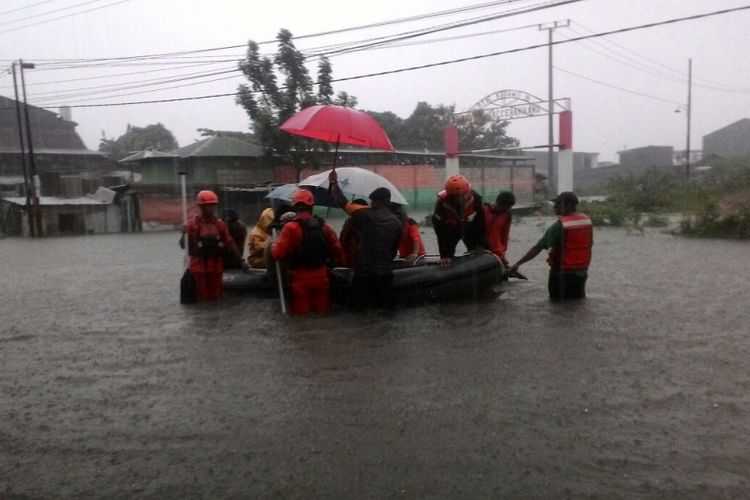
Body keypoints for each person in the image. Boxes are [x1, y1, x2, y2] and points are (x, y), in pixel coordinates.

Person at [330, 176, 402, 310]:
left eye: (372, 201)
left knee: (359, 312)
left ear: (377, 201)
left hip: (365, 274)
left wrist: (334, 183)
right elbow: (393, 250)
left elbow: (342, 202)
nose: (371, 204)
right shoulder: (397, 222)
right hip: (386, 275)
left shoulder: (366, 215)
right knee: (384, 311)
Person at [270, 189, 344, 315]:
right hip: (321, 277)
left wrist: (273, 244)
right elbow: (338, 251)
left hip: (299, 279)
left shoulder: (290, 228)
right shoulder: (324, 227)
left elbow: (278, 254)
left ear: (294, 207)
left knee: (302, 318)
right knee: (321, 313)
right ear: (312, 206)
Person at [509, 191, 593, 301]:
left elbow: (537, 248)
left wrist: (517, 264)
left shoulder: (559, 226)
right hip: (581, 274)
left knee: (557, 306)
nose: (554, 207)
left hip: (561, 275)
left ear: (567, 206)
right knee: (576, 304)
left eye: (557, 204)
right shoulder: (586, 222)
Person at [183, 190, 245, 302]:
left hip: (216, 268)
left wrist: (241, 261)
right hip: (198, 268)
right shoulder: (192, 225)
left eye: (213, 206)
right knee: (202, 299)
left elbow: (230, 243)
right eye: (208, 206)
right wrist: (184, 234)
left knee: (217, 299)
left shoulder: (220, 225)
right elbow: (184, 245)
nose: (212, 209)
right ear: (201, 207)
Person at [432, 174, 487, 267]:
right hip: (450, 228)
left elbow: (481, 224)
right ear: (451, 196)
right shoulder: (441, 203)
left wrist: (480, 245)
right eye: (458, 196)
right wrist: (445, 254)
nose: (464, 198)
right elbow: (440, 231)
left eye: (465, 194)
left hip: (470, 226)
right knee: (447, 248)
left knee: (480, 248)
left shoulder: (476, 199)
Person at [483, 190, 516, 268]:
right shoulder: (483, 210)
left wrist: (502, 254)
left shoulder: (506, 216)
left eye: (509, 208)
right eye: (506, 207)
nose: (507, 210)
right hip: (481, 248)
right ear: (498, 203)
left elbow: (505, 235)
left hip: (496, 252)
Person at [339, 198, 369, 268]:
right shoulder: (373, 224)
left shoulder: (350, 225)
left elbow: (342, 242)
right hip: (368, 265)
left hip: (351, 264)